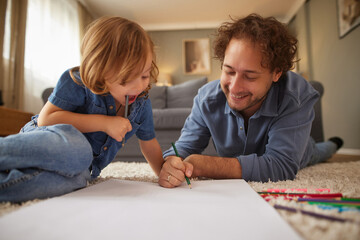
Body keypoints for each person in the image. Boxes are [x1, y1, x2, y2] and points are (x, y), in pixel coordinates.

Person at [158, 14, 343, 188]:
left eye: (250, 76)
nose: (235, 88)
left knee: (320, 151)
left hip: (303, 151)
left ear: (277, 73)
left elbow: (281, 166)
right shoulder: (206, 99)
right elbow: (183, 148)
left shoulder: (296, 95)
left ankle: (334, 143)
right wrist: (171, 161)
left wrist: (204, 165)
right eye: (229, 71)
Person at [0, 16, 164, 202]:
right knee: (80, 150)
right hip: (43, 140)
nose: (138, 87)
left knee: (77, 181)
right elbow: (47, 118)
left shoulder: (141, 104)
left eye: (144, 75)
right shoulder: (77, 82)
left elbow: (149, 143)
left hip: (82, 168)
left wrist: (164, 172)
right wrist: (104, 123)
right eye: (125, 80)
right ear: (100, 70)